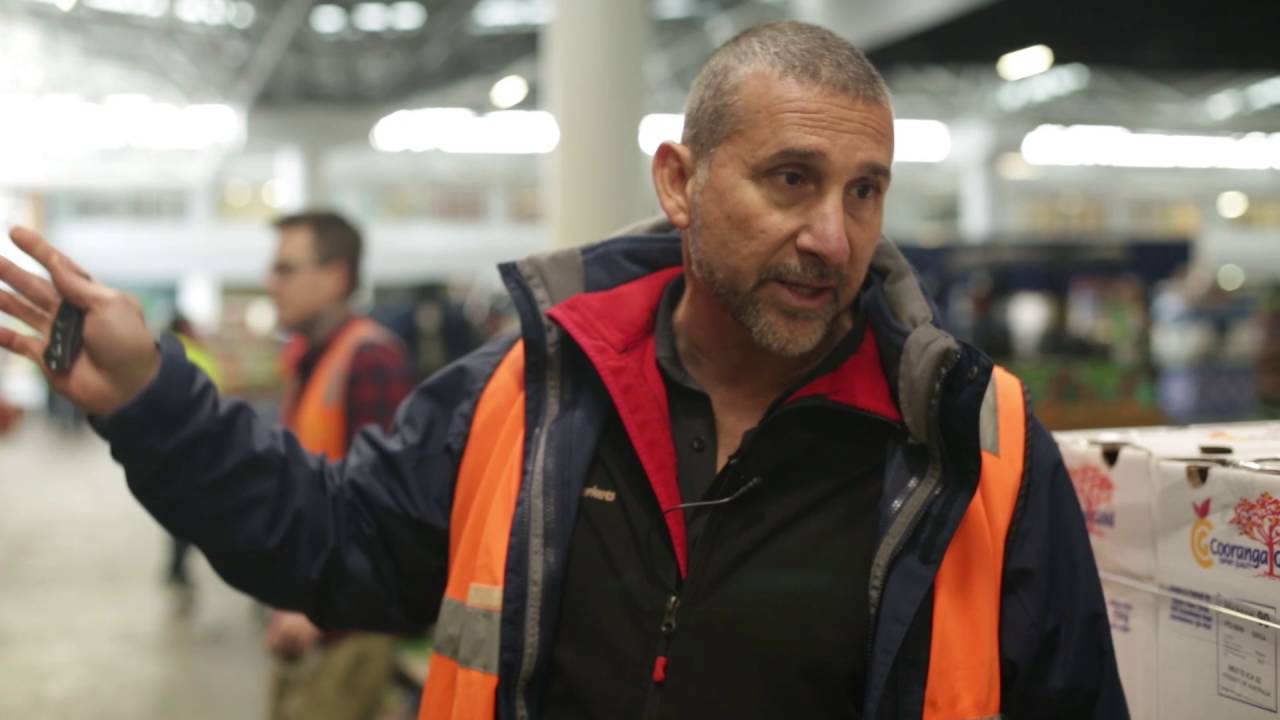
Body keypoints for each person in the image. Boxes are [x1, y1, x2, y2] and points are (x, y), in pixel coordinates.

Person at [0, 21, 1126, 720]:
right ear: (679, 182)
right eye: (789, 179)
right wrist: (157, 402)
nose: (834, 236)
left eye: (862, 191)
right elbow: (333, 539)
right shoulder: (529, 398)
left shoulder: (972, 444)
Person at [261, 211, 414, 720]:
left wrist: (317, 614)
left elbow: (383, 514)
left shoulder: (371, 362)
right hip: (312, 614)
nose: (271, 283)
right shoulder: (310, 360)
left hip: (350, 627)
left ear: (335, 277)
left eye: (286, 269)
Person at [164, 313, 225, 613]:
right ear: (186, 328)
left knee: (180, 516)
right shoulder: (194, 355)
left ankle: (176, 568)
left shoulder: (163, 355)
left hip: (172, 450)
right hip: (197, 448)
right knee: (196, 516)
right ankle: (178, 569)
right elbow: (213, 399)